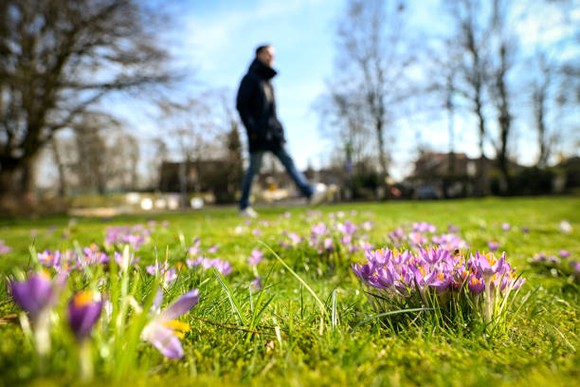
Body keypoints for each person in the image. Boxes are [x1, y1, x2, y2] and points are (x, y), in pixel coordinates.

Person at [236, 44, 324, 217]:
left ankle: (309, 193)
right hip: (258, 135)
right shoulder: (250, 79)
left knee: (288, 161)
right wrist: (252, 130)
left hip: (273, 134)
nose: (271, 58)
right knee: (254, 169)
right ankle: (244, 206)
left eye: (273, 55)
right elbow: (241, 106)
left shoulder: (267, 81)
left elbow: (271, 113)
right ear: (259, 54)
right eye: (268, 54)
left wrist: (278, 130)